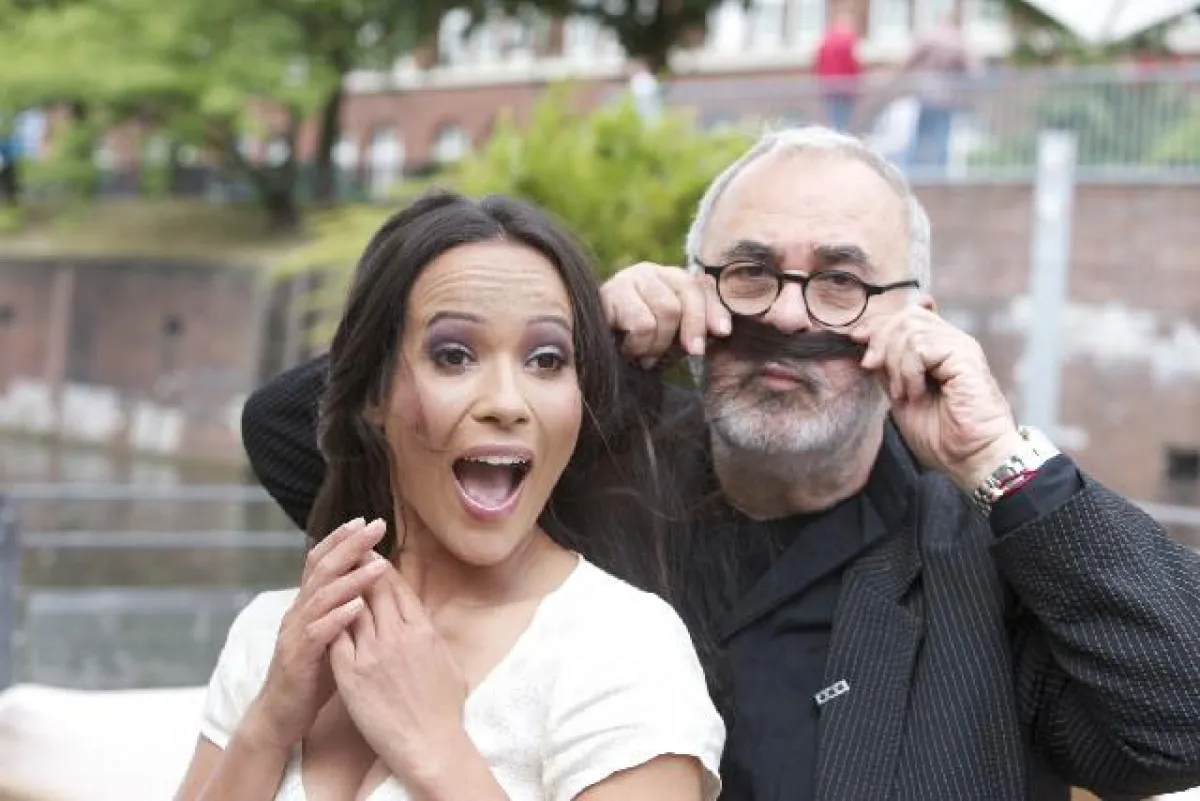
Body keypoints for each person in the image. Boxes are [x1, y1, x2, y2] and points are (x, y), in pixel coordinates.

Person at [239, 129, 1200, 801]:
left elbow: (1179, 718)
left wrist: (1000, 460)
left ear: (918, 320)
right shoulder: (584, 478)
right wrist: (585, 342)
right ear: (698, 289)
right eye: (749, 272)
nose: (785, 314)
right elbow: (296, 432)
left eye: (840, 281)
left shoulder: (987, 565)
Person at [177, 191, 724, 801]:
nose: (507, 403)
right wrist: (269, 726)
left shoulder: (622, 648)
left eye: (546, 359)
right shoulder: (275, 634)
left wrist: (435, 750)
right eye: (454, 355)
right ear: (373, 394)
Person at [897, 7, 976, 171]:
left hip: (926, 94)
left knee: (920, 134)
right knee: (942, 136)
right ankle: (940, 172)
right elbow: (973, 70)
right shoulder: (958, 41)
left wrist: (901, 77)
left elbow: (908, 61)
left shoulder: (928, 37)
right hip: (948, 97)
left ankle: (914, 170)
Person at [813, 10, 862, 133]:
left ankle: (837, 134)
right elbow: (852, 63)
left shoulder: (826, 40)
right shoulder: (848, 40)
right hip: (846, 87)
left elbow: (819, 61)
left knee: (833, 116)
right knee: (843, 119)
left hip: (829, 86)